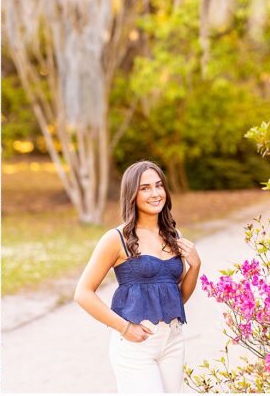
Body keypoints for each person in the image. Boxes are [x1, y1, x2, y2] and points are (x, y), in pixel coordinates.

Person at [74, 160, 201, 393]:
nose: (155, 194)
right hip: (135, 346)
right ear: (132, 194)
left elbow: (178, 298)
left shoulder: (174, 235)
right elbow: (82, 293)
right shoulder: (116, 238)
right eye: (145, 188)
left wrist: (195, 265)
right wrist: (124, 328)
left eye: (158, 186)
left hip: (172, 340)